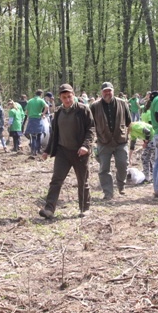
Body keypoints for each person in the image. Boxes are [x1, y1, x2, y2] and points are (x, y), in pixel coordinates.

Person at [39, 84, 95, 219]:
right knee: (56, 180)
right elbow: (54, 134)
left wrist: (86, 146)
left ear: (73, 95)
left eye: (69, 96)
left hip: (80, 152)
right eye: (64, 97)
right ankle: (49, 209)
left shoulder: (83, 110)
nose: (67, 100)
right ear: (60, 98)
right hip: (62, 152)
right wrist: (47, 150)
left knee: (83, 181)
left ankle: (85, 208)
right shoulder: (58, 113)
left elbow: (91, 129)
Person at [90, 81, 132, 200]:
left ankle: (121, 185)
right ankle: (108, 192)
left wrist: (129, 138)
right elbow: (90, 125)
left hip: (121, 141)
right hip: (103, 142)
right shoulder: (94, 106)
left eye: (109, 90)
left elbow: (129, 123)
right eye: (105, 91)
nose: (107, 93)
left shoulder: (123, 103)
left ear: (113, 91)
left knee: (123, 165)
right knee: (104, 169)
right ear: (101, 92)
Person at [25, 90, 48, 156]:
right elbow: (47, 107)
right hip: (38, 119)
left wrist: (30, 114)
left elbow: (26, 110)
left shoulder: (30, 101)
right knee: (39, 136)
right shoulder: (41, 100)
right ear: (41, 94)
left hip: (31, 119)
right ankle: (37, 150)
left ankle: (33, 151)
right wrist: (43, 114)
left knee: (33, 136)